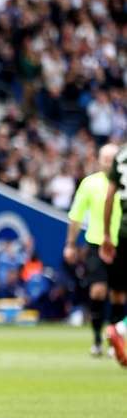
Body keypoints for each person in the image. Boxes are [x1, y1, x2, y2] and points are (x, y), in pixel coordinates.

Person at [64, 144, 122, 357]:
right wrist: (70, 243)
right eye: (105, 158)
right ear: (98, 160)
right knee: (98, 290)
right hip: (96, 243)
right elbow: (76, 215)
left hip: (120, 244)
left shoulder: (124, 184)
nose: (108, 162)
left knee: (118, 295)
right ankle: (97, 338)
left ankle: (115, 341)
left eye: (112, 158)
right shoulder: (90, 183)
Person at [100, 143, 127, 367]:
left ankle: (119, 328)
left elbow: (110, 197)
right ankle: (119, 328)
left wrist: (107, 234)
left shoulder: (121, 155)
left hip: (123, 232)